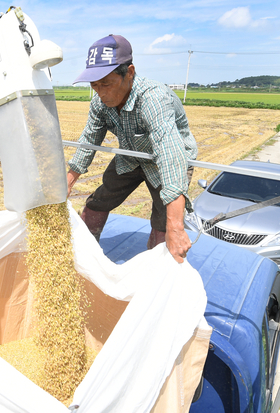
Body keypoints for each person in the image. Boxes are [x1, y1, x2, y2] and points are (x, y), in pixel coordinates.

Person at [66, 34, 197, 263]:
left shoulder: (153, 98)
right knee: (98, 201)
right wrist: (67, 181)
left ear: (129, 72)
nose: (101, 92)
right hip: (131, 155)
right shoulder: (99, 102)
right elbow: (90, 138)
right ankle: (82, 257)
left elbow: (170, 155)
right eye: (95, 85)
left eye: (106, 84)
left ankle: (158, 268)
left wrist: (176, 227)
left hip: (164, 160)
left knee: (163, 220)